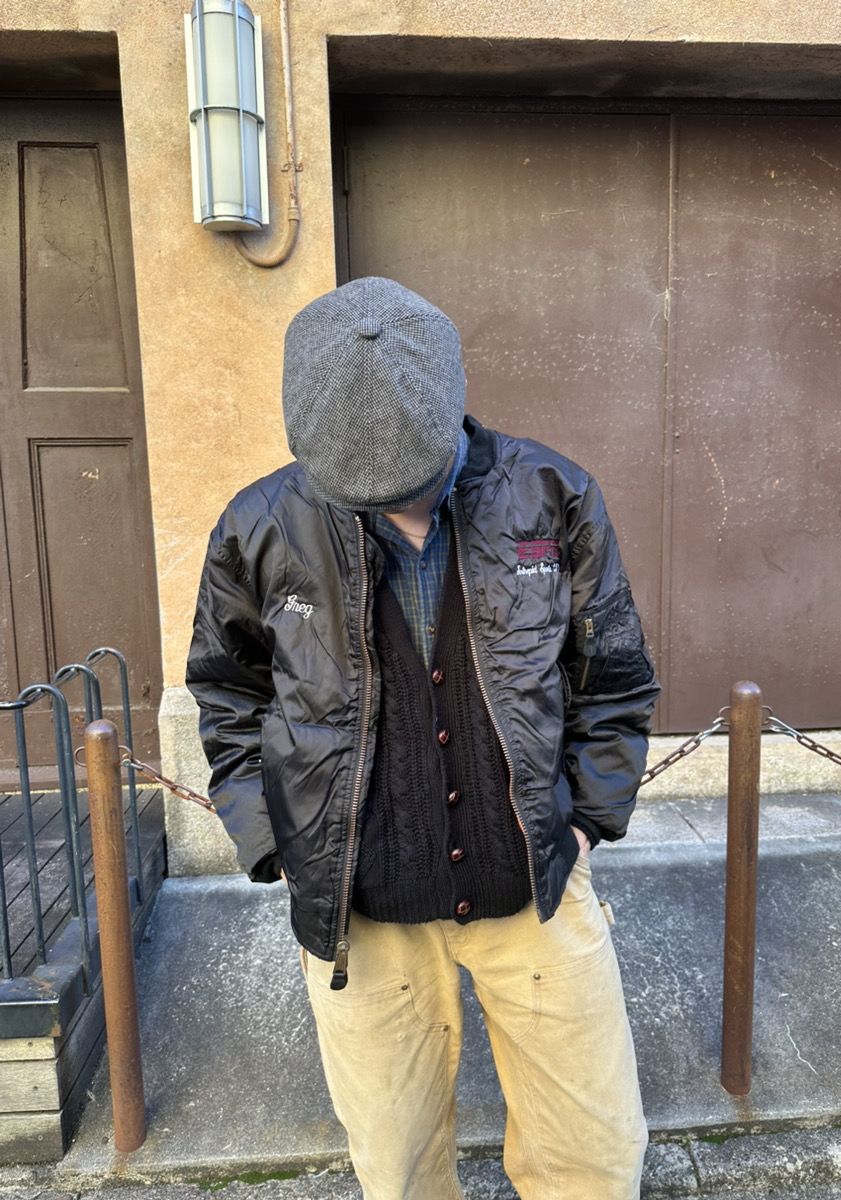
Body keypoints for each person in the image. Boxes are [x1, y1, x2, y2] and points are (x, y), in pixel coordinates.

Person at [186, 276, 660, 1200]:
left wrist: (585, 823)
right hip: (359, 917)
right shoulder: (257, 526)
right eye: (363, 496)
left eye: (414, 484)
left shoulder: (553, 495)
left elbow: (613, 676)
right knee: (397, 1174)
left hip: (536, 895)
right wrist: (279, 846)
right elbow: (227, 694)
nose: (393, 507)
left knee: (597, 1161)